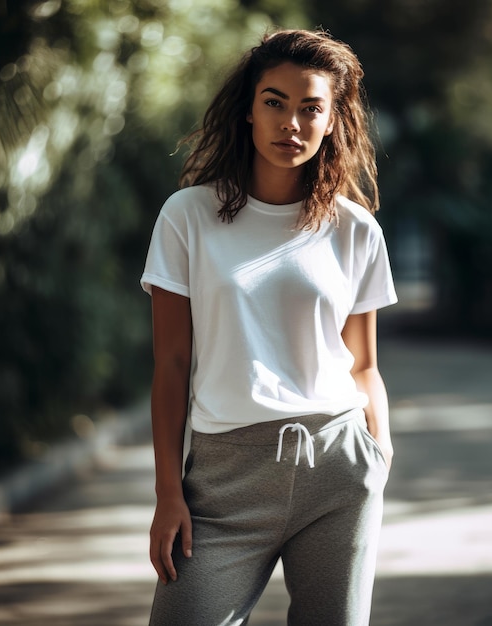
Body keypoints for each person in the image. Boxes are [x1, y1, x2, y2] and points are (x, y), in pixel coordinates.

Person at [140, 28, 398, 626]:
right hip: (223, 479)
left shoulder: (355, 229)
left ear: (333, 120)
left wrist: (378, 455)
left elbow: (363, 365)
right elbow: (172, 364)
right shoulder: (189, 217)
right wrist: (167, 493)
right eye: (275, 102)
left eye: (311, 108)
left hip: (338, 468)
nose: (292, 124)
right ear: (249, 112)